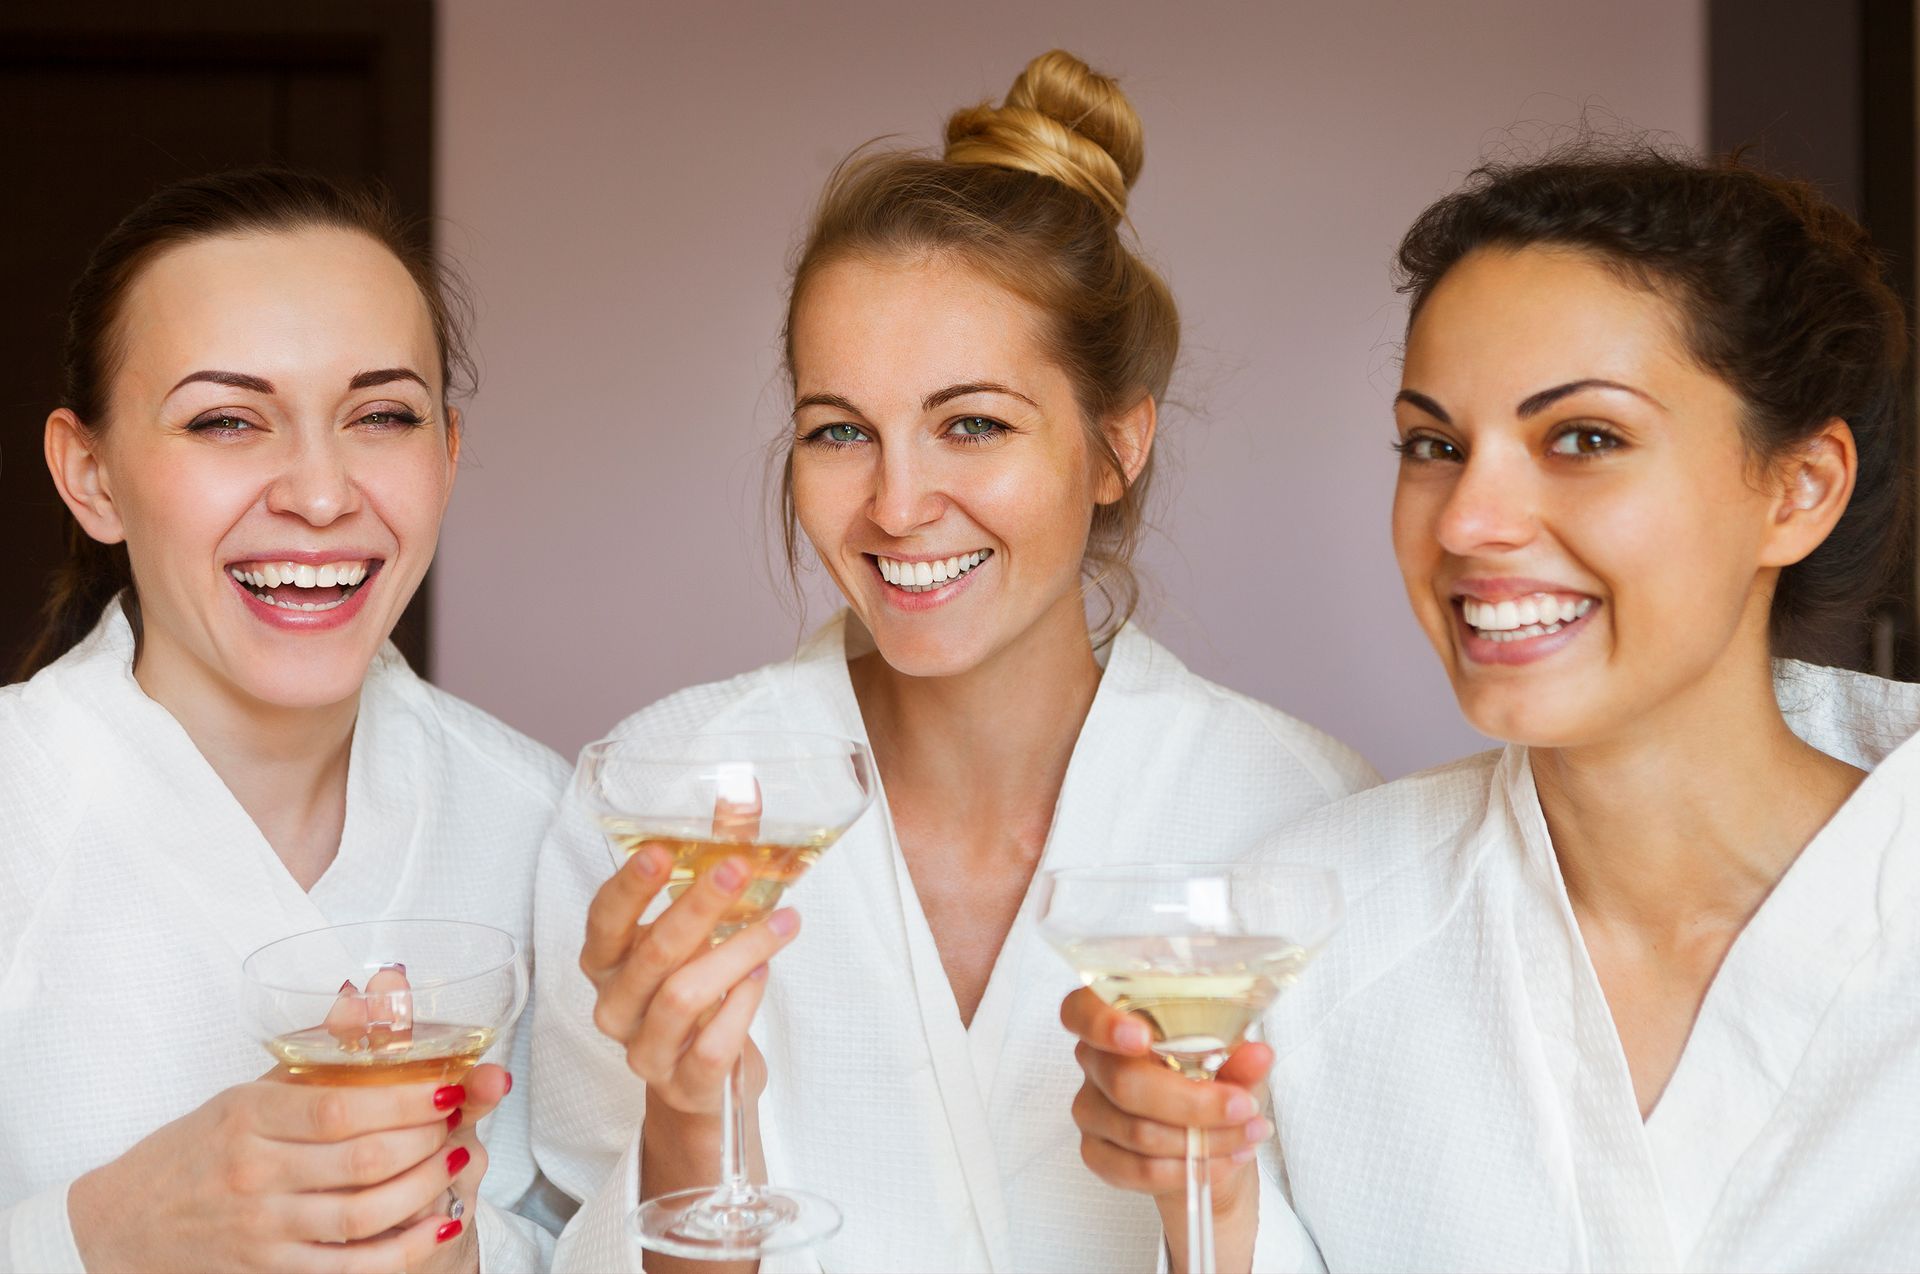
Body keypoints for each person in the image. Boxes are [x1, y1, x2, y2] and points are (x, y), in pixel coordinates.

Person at [532, 50, 1376, 1272]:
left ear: (1115, 445)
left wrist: (1209, 1198)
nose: (897, 503)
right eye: (840, 432)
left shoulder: (1300, 819)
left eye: (971, 423)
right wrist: (686, 1106)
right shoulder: (654, 797)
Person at [1062, 144, 1920, 1271]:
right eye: (1434, 444)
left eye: (1585, 438)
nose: (1467, 519)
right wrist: (1216, 1212)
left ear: (1798, 489)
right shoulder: (1303, 933)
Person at [0, 169, 565, 1274]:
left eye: (382, 415)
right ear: (91, 473)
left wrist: (456, 1242)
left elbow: (597, 1231)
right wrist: (102, 1231)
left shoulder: (543, 820)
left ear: (446, 457)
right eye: (226, 419)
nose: (318, 492)